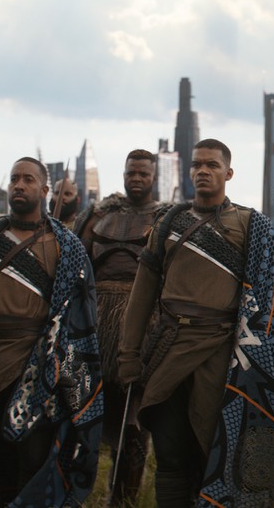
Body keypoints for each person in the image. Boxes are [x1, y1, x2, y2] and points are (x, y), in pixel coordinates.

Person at [118, 139, 274, 506]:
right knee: (170, 453)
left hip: (221, 355)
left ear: (229, 173)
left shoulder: (250, 224)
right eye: (197, 164)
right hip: (168, 349)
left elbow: (268, 299)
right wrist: (128, 354)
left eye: (212, 165)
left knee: (209, 452)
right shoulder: (167, 222)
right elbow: (142, 293)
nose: (203, 171)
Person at [0, 157, 102, 507]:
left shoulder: (67, 248)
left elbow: (81, 315)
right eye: (14, 179)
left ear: (44, 189)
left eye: (28, 179)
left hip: (41, 366)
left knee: (32, 460)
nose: (19, 185)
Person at [73, 149, 162, 506]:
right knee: (87, 411)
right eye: (130, 173)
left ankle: (123, 498)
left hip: (140, 328)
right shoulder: (97, 217)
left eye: (143, 173)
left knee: (134, 422)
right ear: (123, 174)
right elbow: (76, 267)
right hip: (95, 326)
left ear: (154, 177)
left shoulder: (166, 219)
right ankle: (78, 490)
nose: (136, 179)